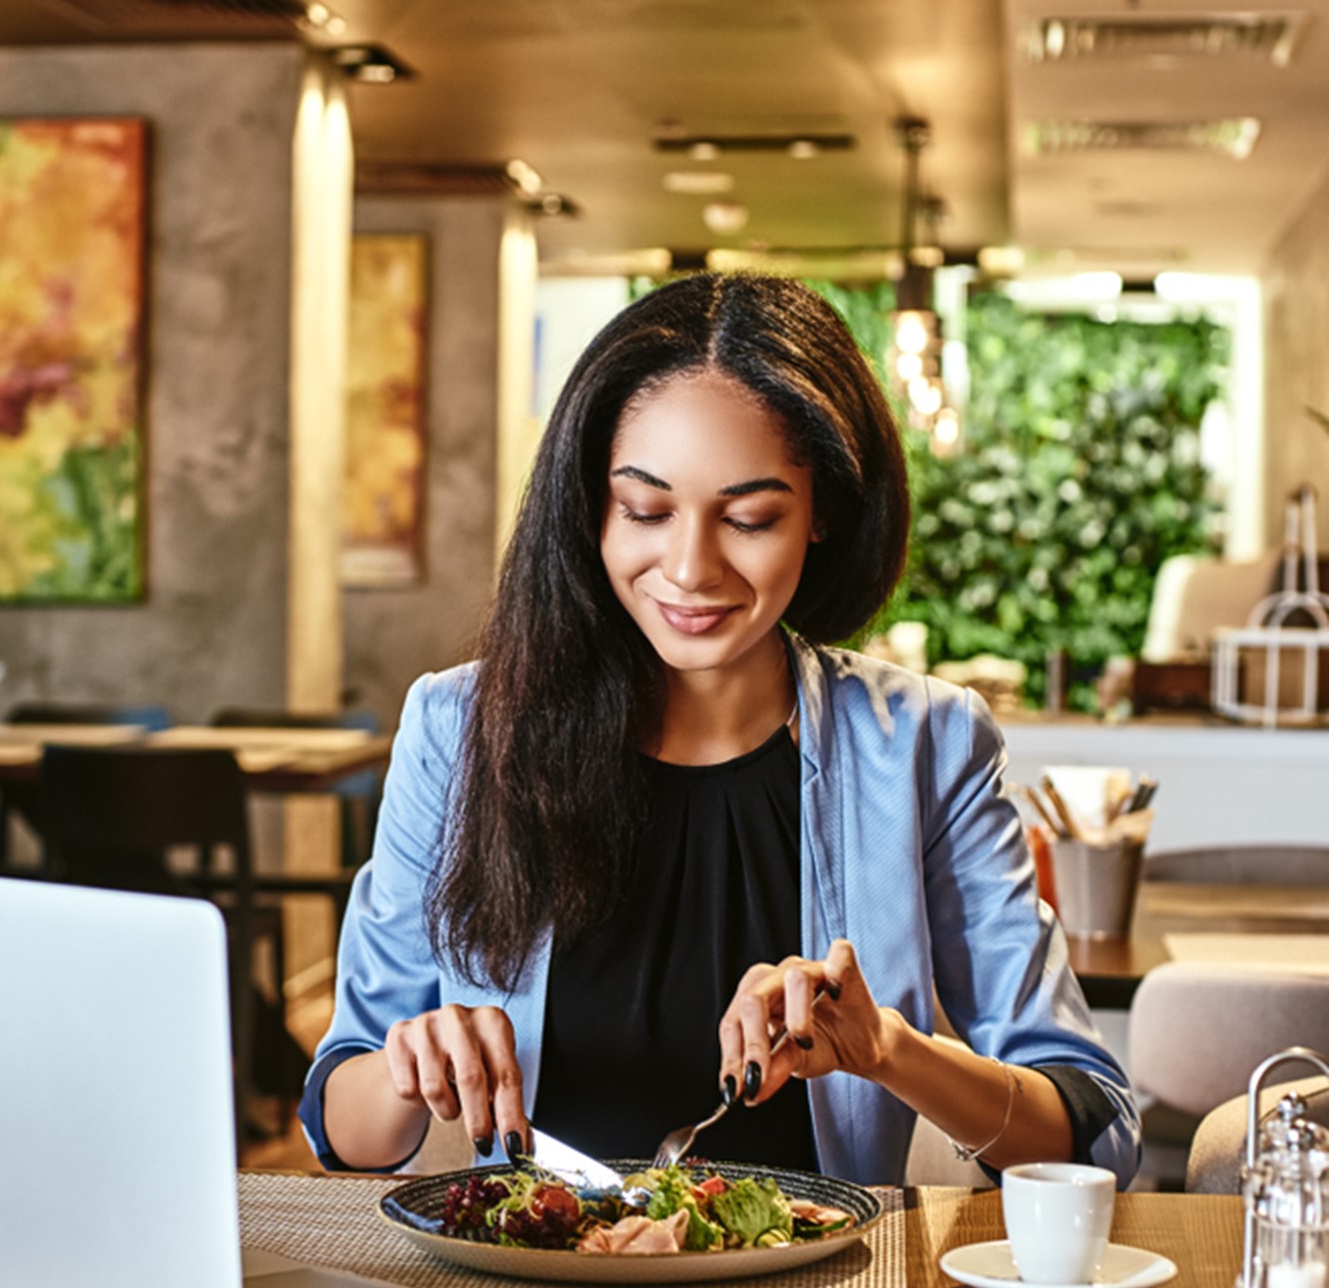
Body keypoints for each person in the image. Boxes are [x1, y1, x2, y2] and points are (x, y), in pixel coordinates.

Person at [300, 273, 1140, 1186]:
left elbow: (1091, 1129)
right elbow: (340, 1125)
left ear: (822, 515)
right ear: (590, 506)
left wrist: (887, 1048)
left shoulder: (924, 746)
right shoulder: (462, 730)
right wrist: (406, 1070)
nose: (690, 568)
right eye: (646, 511)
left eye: (749, 518)